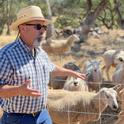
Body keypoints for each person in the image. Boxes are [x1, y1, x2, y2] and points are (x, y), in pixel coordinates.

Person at [0, 5, 86, 124]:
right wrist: (19, 90)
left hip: (43, 115)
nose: (43, 31)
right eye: (38, 26)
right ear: (23, 27)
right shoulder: (6, 55)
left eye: (44, 27)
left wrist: (70, 72)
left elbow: (51, 67)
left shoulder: (40, 52)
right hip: (18, 119)